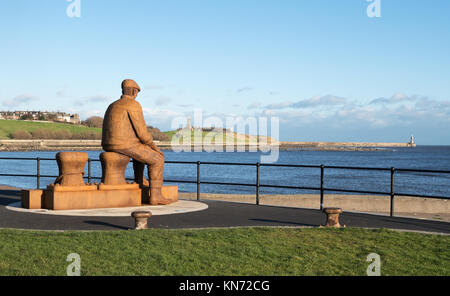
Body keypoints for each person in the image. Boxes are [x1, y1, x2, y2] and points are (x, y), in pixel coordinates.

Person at [102, 79, 169, 205]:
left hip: (108, 143)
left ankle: (139, 181)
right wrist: (155, 148)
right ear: (133, 91)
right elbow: (142, 133)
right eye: (137, 92)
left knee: (141, 152)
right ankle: (156, 196)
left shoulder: (112, 105)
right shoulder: (133, 104)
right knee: (158, 159)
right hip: (123, 144)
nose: (137, 94)